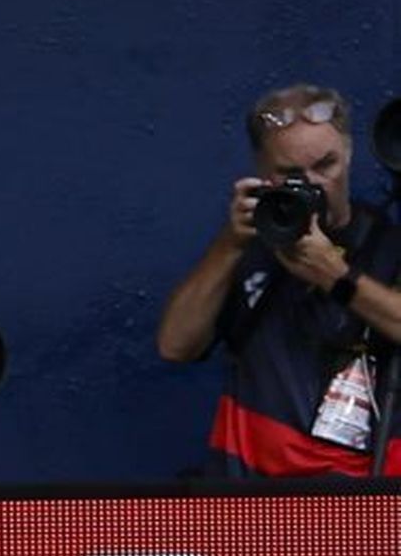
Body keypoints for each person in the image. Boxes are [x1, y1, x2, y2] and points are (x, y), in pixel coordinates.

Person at [157, 83, 401, 476]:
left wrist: (336, 276)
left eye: (326, 166)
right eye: (291, 174)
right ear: (261, 172)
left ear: (350, 155)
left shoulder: (387, 246)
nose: (314, 185)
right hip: (251, 499)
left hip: (359, 508)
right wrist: (230, 244)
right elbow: (174, 346)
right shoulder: (248, 245)